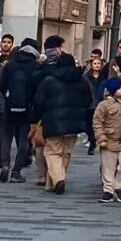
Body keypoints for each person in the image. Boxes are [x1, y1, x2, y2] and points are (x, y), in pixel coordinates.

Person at [31, 38, 91, 194]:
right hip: (75, 123)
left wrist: (35, 120)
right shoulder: (82, 81)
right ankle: (53, 182)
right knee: (66, 152)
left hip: (53, 122)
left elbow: (39, 102)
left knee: (52, 151)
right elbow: (89, 101)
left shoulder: (49, 80)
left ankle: (58, 179)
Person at [0, 38, 41, 182]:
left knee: (6, 137)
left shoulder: (10, 64)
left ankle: (5, 165)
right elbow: (37, 89)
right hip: (27, 107)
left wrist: (8, 97)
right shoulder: (35, 66)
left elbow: (2, 85)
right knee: (23, 139)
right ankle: (16, 171)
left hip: (9, 105)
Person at [92, 77, 121, 202]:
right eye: (119, 88)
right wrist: (101, 137)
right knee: (108, 166)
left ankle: (119, 187)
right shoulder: (104, 105)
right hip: (109, 139)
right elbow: (97, 122)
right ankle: (108, 190)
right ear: (113, 91)